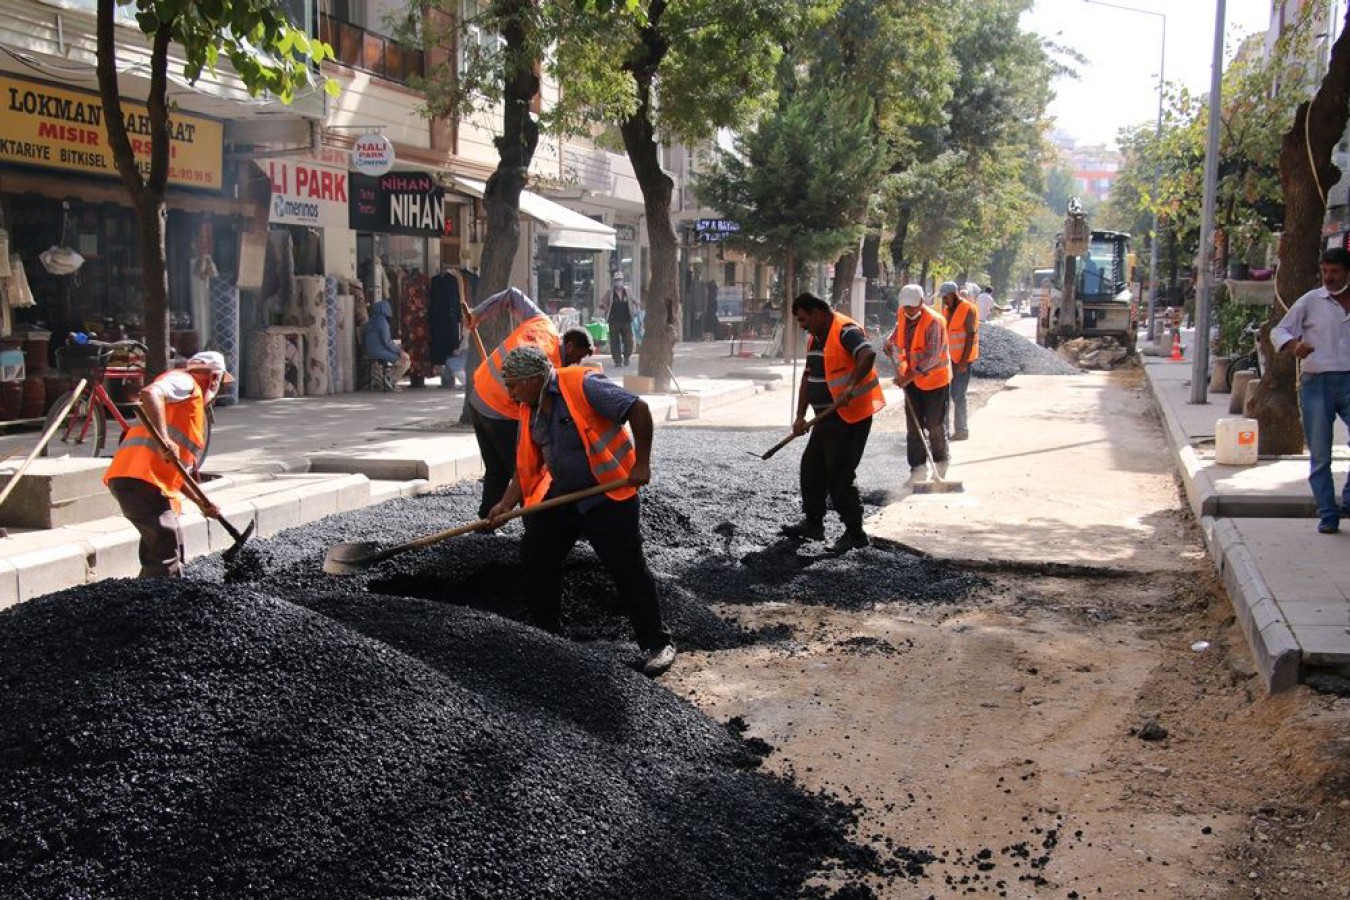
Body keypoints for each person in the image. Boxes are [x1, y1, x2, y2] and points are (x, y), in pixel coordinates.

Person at [486, 345, 676, 676]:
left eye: (514, 384)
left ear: (533, 379)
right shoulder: (530, 409)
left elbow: (639, 408)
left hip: (608, 494)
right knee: (536, 554)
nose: (510, 391)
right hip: (565, 496)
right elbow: (523, 466)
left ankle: (657, 643)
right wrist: (504, 504)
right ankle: (549, 636)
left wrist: (642, 464)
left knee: (625, 567)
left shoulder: (583, 385)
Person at [103, 352, 232, 578]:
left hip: (147, 482)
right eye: (220, 382)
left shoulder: (188, 410)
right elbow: (150, 392)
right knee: (165, 538)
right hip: (138, 478)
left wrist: (203, 502)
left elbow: (180, 475)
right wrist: (164, 438)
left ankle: (156, 598)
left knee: (167, 542)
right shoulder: (184, 382)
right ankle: (159, 605)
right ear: (214, 378)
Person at [466, 287, 588, 519]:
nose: (577, 362)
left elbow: (512, 295)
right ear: (570, 346)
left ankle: (486, 522)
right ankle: (536, 524)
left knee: (496, 469)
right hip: (500, 412)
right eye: (579, 356)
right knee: (525, 469)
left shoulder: (543, 322)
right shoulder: (550, 367)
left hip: (478, 397)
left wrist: (478, 314)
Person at [779, 293, 886, 552]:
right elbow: (808, 378)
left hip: (849, 417)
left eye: (804, 319)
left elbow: (867, 354)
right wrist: (800, 416)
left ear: (817, 313)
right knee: (811, 469)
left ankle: (855, 532)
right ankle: (813, 524)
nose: (802, 325)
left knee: (839, 475)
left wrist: (850, 386)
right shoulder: (815, 338)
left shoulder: (844, 330)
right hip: (825, 418)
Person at [1271, 247, 1350, 534]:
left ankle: (1349, 499)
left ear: (1347, 273)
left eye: (1335, 272)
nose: (1329, 277)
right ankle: (1328, 514)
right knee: (1320, 452)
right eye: (1325, 272)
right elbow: (1279, 331)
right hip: (1317, 382)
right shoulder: (1310, 301)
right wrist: (1294, 346)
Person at [887, 283, 952, 484]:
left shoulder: (933, 321)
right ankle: (917, 471)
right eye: (905, 307)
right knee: (914, 428)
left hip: (935, 381)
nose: (908, 311)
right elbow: (898, 333)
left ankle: (941, 464)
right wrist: (889, 343)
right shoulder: (903, 315)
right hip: (913, 380)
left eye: (912, 307)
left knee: (934, 426)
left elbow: (932, 357)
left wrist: (907, 377)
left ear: (921, 303)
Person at [938, 280, 979, 441]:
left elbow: (970, 335)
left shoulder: (967, 309)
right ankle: (944, 431)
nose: (944, 300)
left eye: (946, 297)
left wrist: (963, 362)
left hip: (962, 361)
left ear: (953, 294)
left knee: (958, 395)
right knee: (945, 396)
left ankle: (962, 430)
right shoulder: (947, 310)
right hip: (948, 360)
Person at [363, 299, 412, 389]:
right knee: (405, 362)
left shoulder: (372, 321)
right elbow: (387, 342)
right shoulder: (382, 322)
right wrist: (400, 352)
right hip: (378, 351)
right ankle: (390, 379)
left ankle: (386, 378)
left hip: (372, 350)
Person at [602, 274, 637, 367]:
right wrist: (605, 307)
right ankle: (617, 360)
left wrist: (637, 304)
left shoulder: (628, 291)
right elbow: (602, 302)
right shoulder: (610, 292)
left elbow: (634, 300)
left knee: (628, 340)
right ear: (614, 281)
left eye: (620, 279)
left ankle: (626, 357)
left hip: (626, 319)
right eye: (617, 280)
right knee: (614, 341)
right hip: (613, 320)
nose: (618, 281)